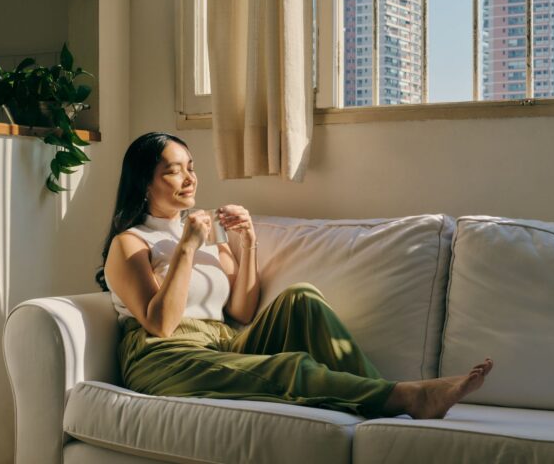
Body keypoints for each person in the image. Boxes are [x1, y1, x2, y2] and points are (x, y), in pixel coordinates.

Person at [96, 132, 493, 419]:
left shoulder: (205, 230)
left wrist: (246, 240)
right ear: (145, 184)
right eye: (173, 171)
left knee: (301, 297)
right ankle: (407, 399)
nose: (189, 179)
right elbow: (161, 324)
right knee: (288, 366)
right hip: (164, 357)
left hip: (222, 341)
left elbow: (243, 310)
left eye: (191, 168)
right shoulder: (130, 243)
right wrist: (185, 247)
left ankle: (385, 405)